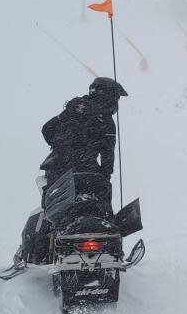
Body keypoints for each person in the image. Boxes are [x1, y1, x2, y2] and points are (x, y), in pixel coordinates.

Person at [16, 78, 128, 265]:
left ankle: (40, 253)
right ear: (106, 96)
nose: (116, 104)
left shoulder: (73, 109)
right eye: (115, 98)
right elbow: (108, 158)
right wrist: (103, 175)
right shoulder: (106, 122)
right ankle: (111, 246)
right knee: (102, 206)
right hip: (90, 173)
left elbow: (47, 129)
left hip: (59, 171)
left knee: (51, 211)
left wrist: (61, 147)